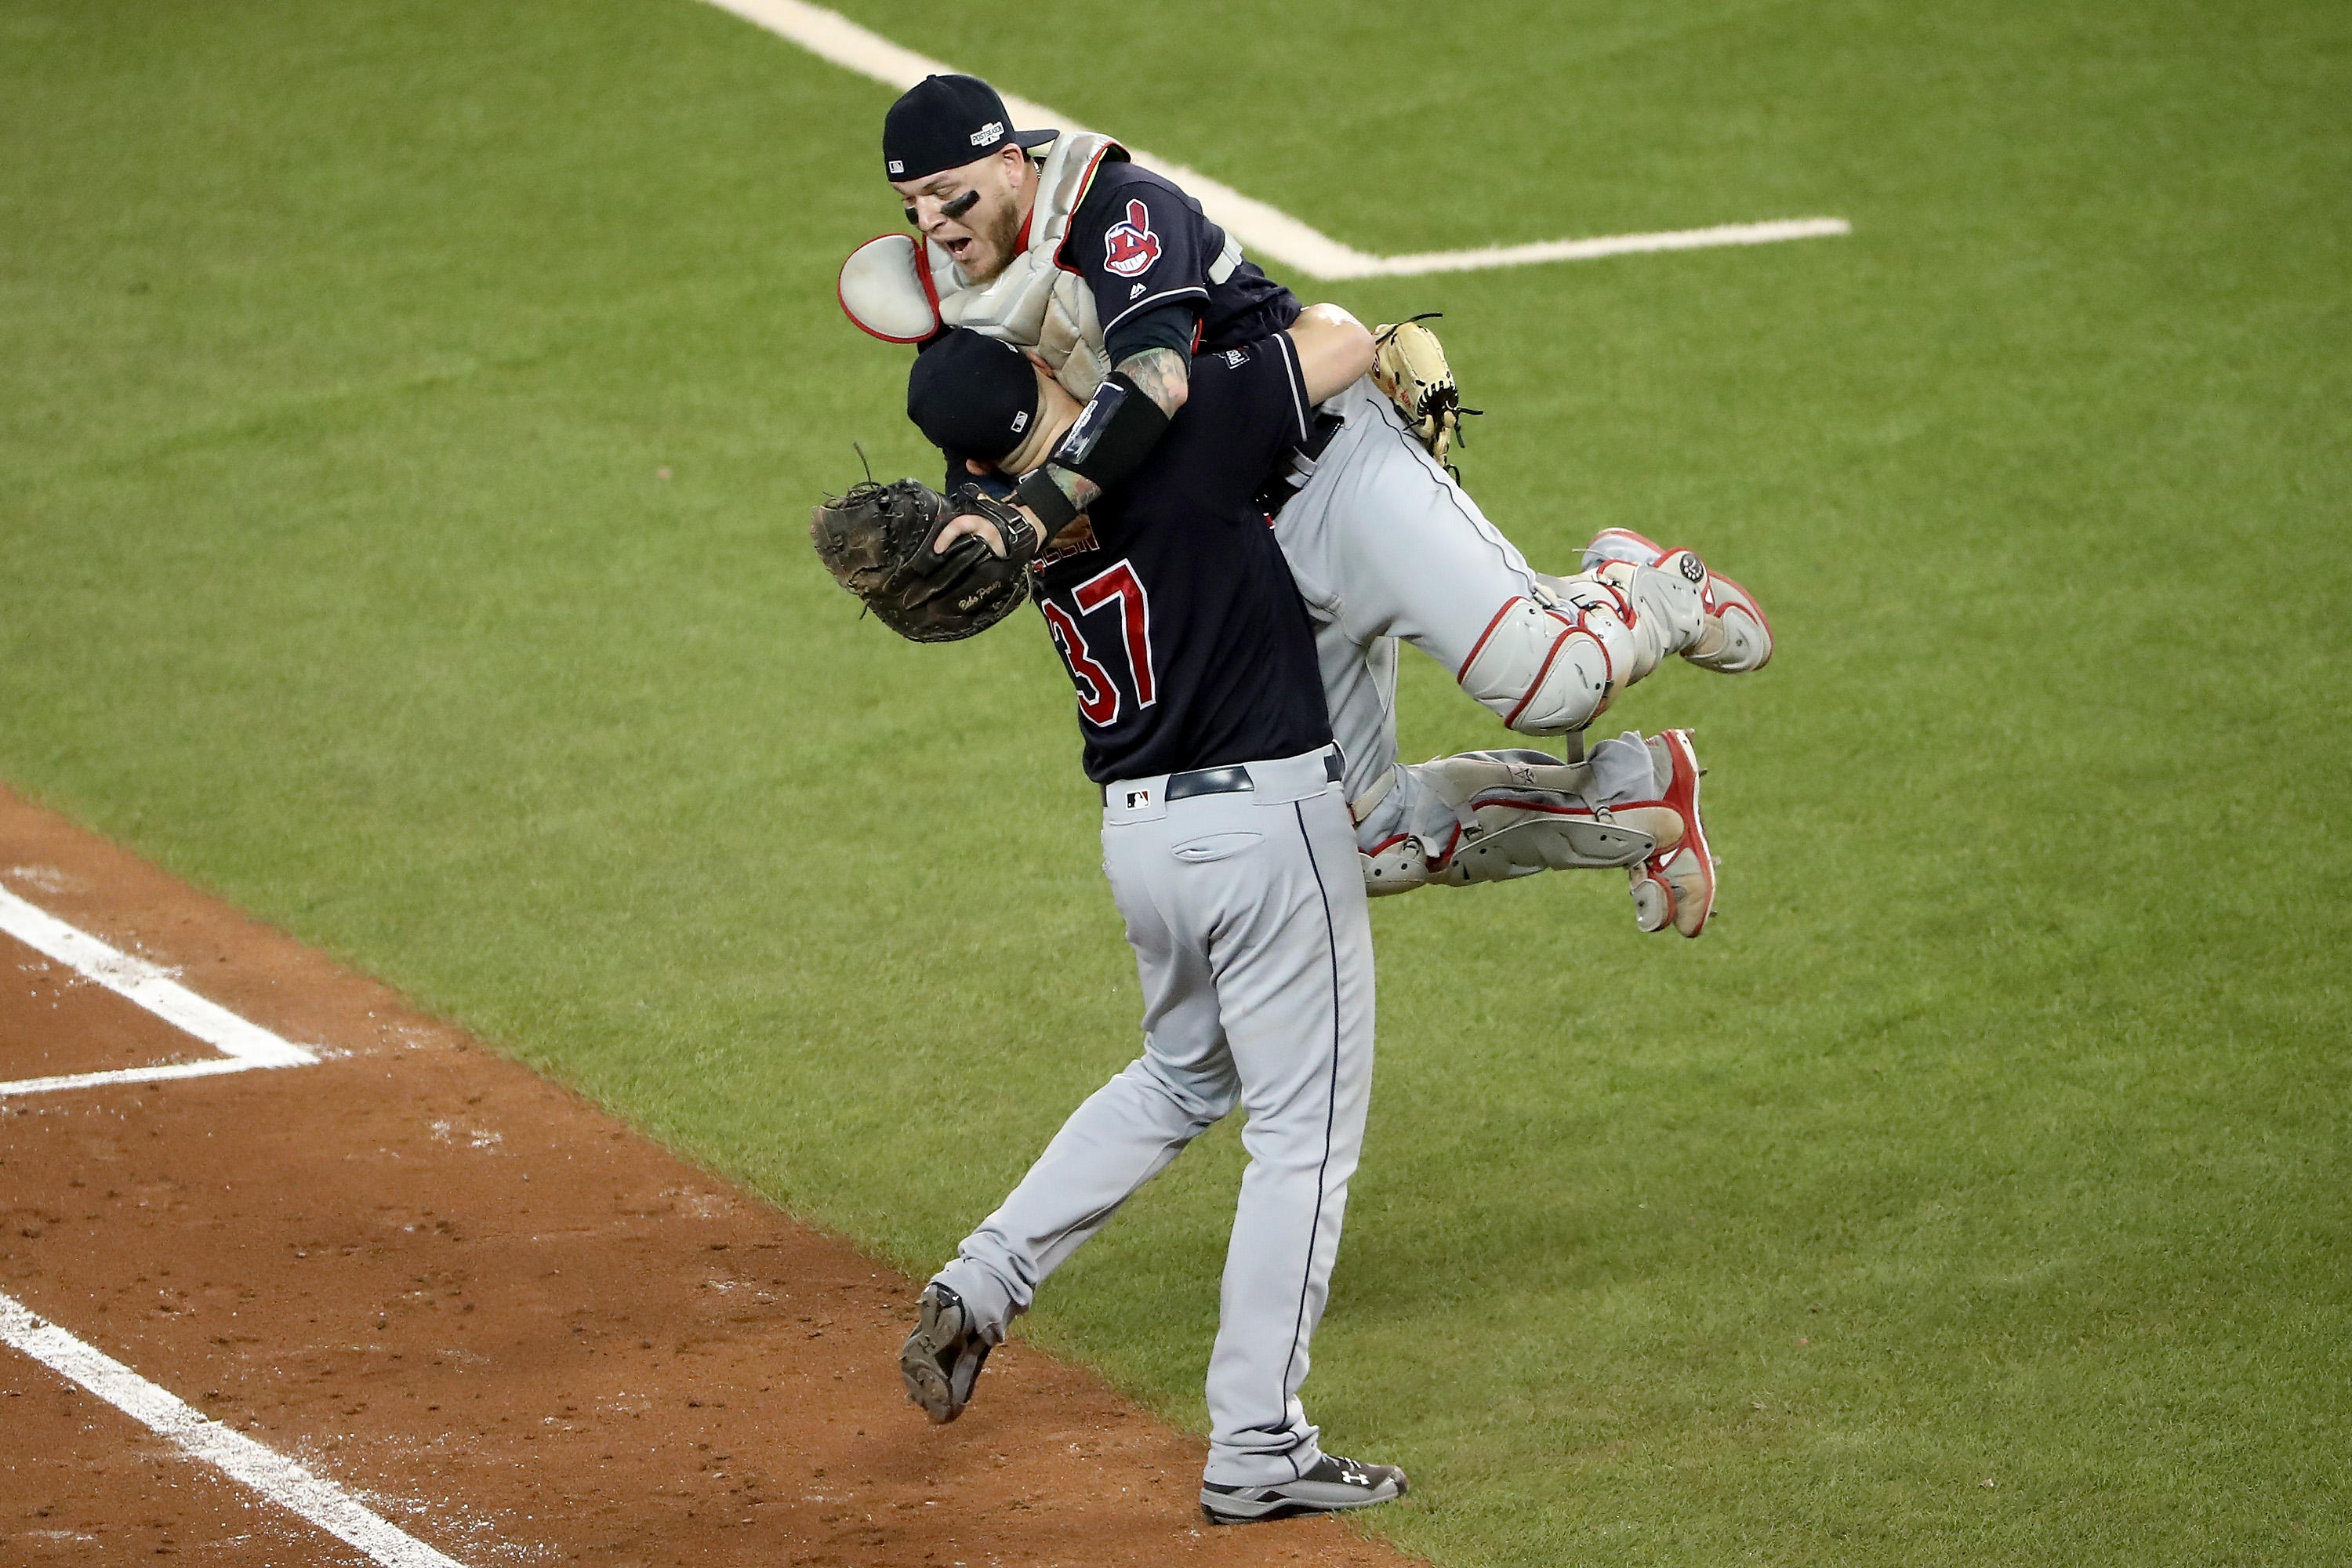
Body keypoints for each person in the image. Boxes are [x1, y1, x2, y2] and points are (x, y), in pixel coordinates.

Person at [845, 74, 1771, 927]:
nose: (933, 222)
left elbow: (1157, 377)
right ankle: (1632, 794)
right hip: (1244, 554)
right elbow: (1022, 488)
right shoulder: (956, 324)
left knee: (1551, 679)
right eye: (911, 205)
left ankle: (1648, 586)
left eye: (949, 193)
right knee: (1367, 838)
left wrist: (1034, 511)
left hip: (1327, 460)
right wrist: (973, 531)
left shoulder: (1117, 205)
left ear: (1012, 163)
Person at [893, 311, 1414, 1525]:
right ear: (1035, 373)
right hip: (1265, 827)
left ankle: (985, 1277)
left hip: (1143, 836)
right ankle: (1258, 1445)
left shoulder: (997, 525)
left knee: (1181, 1079)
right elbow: (1338, 338)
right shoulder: (1177, 447)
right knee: (1304, 1139)